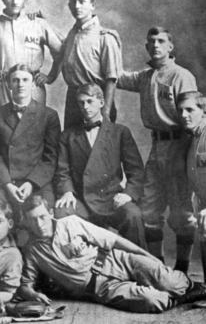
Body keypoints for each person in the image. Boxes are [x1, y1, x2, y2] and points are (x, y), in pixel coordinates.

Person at [18, 195, 206, 313]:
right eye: (33, 220)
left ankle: (191, 286)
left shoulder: (71, 223)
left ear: (50, 212)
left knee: (168, 280)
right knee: (152, 301)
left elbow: (114, 240)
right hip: (102, 287)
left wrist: (148, 257)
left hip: (117, 260)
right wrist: (33, 294)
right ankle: (186, 294)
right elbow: (25, 285)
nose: (39, 224)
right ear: (27, 222)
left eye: (42, 217)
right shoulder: (32, 251)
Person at [118, 26, 198, 273]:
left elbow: (193, 112)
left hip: (180, 143)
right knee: (149, 210)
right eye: (151, 41)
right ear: (146, 46)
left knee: (181, 211)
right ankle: (159, 268)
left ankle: (183, 270)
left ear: (170, 46)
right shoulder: (145, 76)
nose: (156, 45)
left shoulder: (181, 75)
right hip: (157, 147)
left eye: (161, 41)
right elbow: (117, 76)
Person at [55, 83, 145, 247]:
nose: (85, 107)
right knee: (62, 213)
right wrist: (67, 191)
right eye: (81, 103)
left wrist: (129, 194)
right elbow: (62, 171)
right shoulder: (67, 136)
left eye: (90, 101)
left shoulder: (120, 132)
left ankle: (138, 267)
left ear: (102, 103)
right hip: (80, 199)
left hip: (110, 198)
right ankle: (71, 270)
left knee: (133, 215)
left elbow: (136, 171)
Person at [0, 64, 60, 234]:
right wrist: (8, 184)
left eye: (25, 80)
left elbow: (50, 158)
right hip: (4, 182)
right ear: (8, 85)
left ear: (33, 84)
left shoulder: (49, 116)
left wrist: (31, 183)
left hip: (37, 182)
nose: (20, 84)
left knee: (45, 220)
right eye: (15, 80)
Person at [61, 0, 122, 128]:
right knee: (73, 145)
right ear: (69, 6)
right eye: (74, 2)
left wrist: (105, 111)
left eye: (82, 2)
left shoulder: (105, 37)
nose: (77, 6)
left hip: (96, 97)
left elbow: (111, 78)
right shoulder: (71, 35)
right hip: (73, 99)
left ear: (92, 5)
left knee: (97, 147)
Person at [177, 91, 206, 282]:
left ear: (204, 111)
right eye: (180, 111)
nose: (184, 115)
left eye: (190, 110)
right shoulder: (194, 137)